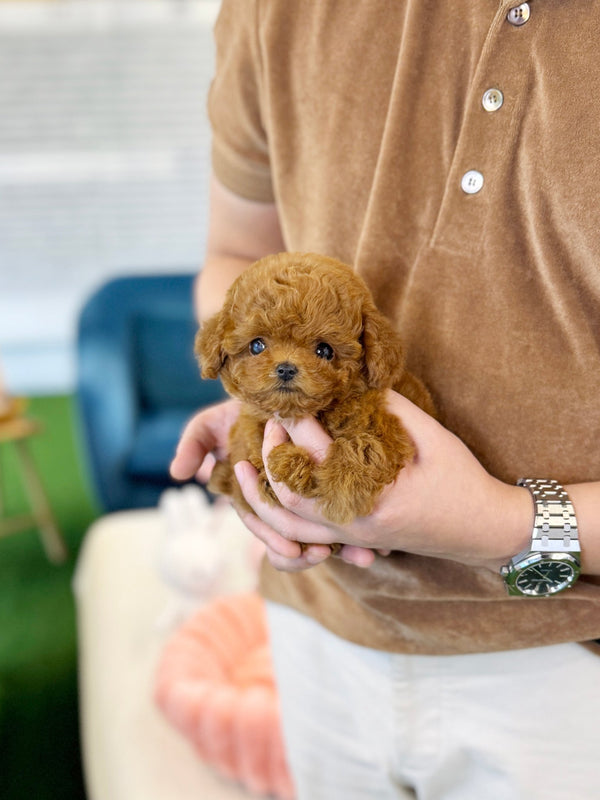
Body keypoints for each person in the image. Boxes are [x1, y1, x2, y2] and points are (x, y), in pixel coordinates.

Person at [171, 2, 600, 797]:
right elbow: (236, 250)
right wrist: (256, 397)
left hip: (571, 660)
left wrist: (508, 525)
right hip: (314, 622)